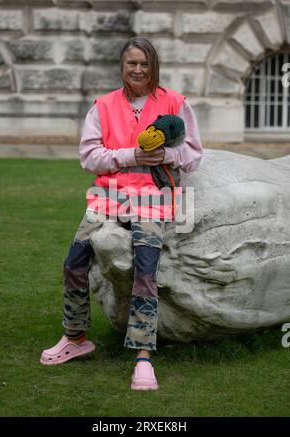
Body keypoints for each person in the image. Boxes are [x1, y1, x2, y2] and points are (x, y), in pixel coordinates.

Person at [40, 36, 203, 390]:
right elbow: (89, 156)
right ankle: (76, 338)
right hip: (106, 198)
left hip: (152, 198)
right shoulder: (103, 105)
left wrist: (167, 157)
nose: (138, 71)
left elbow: (193, 153)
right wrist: (130, 155)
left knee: (146, 270)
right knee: (73, 262)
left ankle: (143, 356)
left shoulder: (175, 102)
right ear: (122, 66)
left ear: (153, 66)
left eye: (145, 64)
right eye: (132, 64)